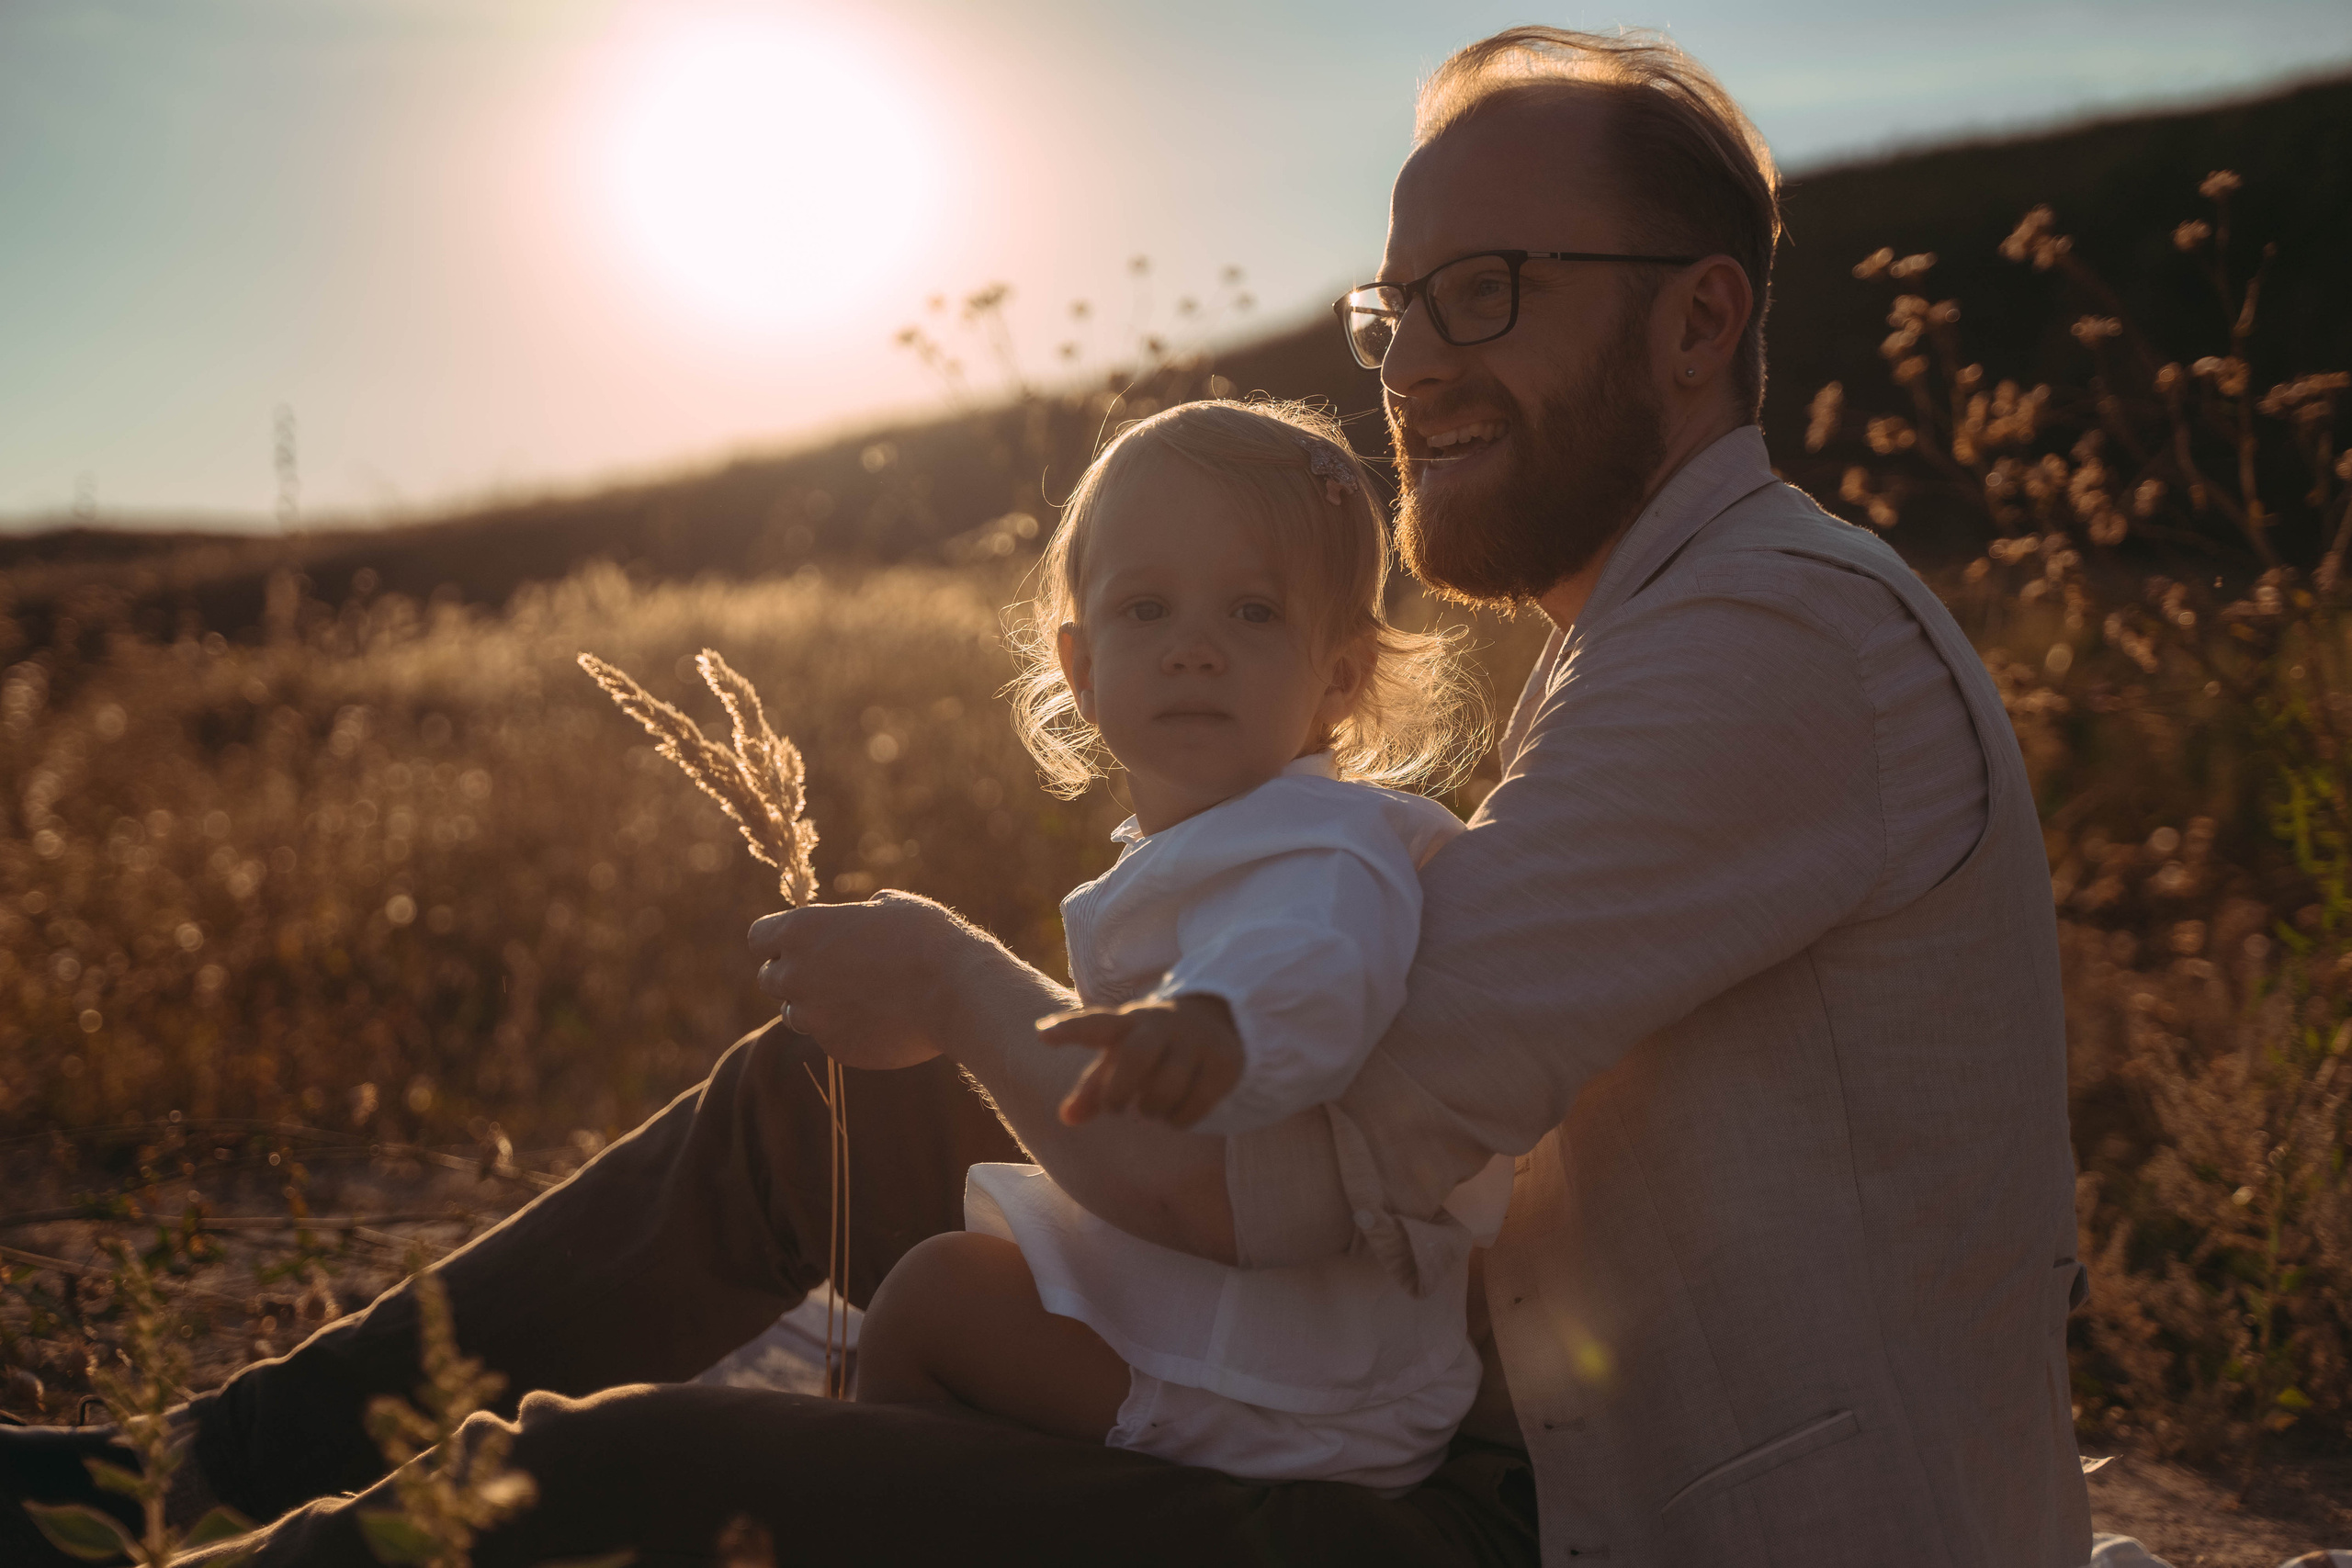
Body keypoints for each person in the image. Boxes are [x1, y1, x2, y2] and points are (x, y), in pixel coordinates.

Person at [2, 26, 2093, 1568]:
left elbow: (1279, 1173)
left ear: (1696, 323)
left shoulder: (1767, 643)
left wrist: (945, 964)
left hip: (1575, 1514)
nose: (1418, 364)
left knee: (643, 1474)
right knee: (836, 1097)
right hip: (1480, 1396)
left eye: (1489, 292)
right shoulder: (1656, 631)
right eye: (1398, 308)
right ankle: (172, 1469)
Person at [853, 399, 1512, 1492]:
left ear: (1340, 676)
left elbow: (1314, 957)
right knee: (964, 1280)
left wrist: (1217, 1019)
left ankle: (909, 1515)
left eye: (1253, 613)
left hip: (1308, 1388)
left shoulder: (1326, 844)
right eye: (1147, 609)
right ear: (1080, 663)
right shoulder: (1231, 837)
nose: (1195, 649)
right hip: (1289, 1352)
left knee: (935, 1304)